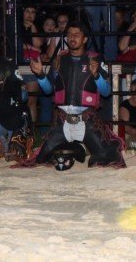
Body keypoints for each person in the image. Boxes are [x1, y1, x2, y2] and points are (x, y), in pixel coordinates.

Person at [27, 21, 125, 168]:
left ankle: (82, 149)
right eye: (69, 35)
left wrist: (97, 76)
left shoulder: (95, 59)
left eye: (77, 34)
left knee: (107, 159)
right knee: (40, 159)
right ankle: (75, 149)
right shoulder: (59, 59)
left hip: (88, 121)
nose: (72, 38)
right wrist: (40, 75)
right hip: (62, 121)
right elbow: (48, 91)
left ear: (85, 39)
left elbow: (106, 92)